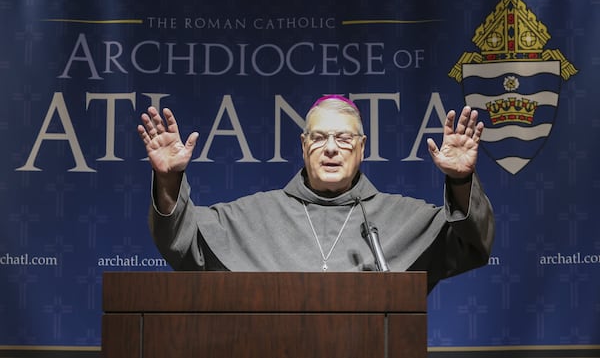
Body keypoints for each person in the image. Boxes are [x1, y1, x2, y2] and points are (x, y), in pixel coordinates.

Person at [137, 95, 494, 292]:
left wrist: (461, 182)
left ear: (362, 147)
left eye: (344, 138)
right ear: (303, 145)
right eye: (320, 137)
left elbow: (472, 247)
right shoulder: (251, 216)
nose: (331, 149)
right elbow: (183, 245)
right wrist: (168, 180)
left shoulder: (408, 218)